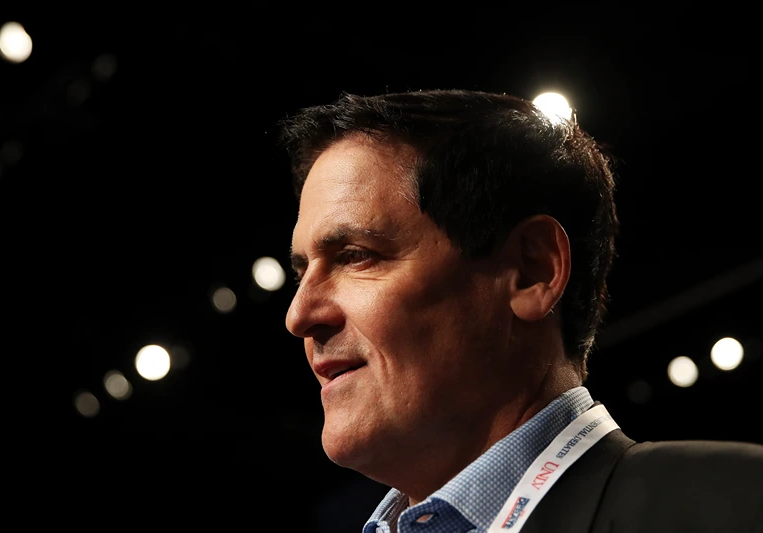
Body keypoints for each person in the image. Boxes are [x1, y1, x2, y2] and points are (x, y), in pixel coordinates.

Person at [276, 89, 763, 533]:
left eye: (355, 256)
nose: (299, 315)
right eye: (302, 273)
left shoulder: (737, 504)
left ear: (532, 272)